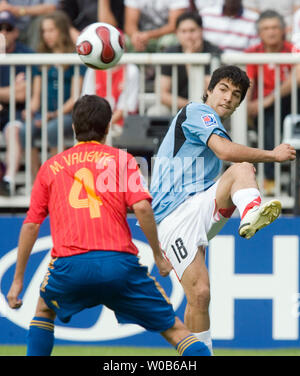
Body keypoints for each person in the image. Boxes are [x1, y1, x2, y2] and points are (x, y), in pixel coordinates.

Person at [6, 94, 211, 357]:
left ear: (72, 127)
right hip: (120, 266)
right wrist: (159, 258)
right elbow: (142, 207)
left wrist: (18, 281)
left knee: (44, 310)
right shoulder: (122, 161)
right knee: (176, 331)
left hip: (69, 266)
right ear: (107, 127)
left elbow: (31, 225)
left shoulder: (51, 167)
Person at [149, 65, 296, 355]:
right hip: (171, 216)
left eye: (236, 95)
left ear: (239, 104)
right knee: (200, 294)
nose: (228, 98)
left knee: (241, 170)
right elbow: (225, 151)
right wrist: (273, 155)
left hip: (197, 204)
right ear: (209, 90)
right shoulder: (196, 112)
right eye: (223, 89)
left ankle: (251, 210)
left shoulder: (213, 124)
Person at [15, 10, 85, 179]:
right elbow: (36, 96)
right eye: (44, 31)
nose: (47, 35)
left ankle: (57, 179)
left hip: (66, 114)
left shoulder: (75, 58)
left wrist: (54, 114)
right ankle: (39, 179)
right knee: (24, 130)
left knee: (53, 128)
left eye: (51, 30)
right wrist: (30, 110)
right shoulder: (41, 58)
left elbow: (75, 97)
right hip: (44, 113)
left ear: (62, 30)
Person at [246, 10, 300, 194]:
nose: (271, 32)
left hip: (290, 103)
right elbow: (248, 83)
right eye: (266, 28)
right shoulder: (252, 53)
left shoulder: (293, 49)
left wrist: (268, 99)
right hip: (263, 112)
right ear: (259, 33)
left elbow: (298, 75)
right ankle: (270, 180)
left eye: (275, 27)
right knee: (268, 117)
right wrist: (247, 108)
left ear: (283, 30)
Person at [148, 11, 222, 116]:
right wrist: (190, 106)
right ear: (177, 33)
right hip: (178, 107)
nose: (188, 36)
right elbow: (162, 94)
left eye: (192, 31)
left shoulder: (214, 53)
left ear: (201, 31)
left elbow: (210, 92)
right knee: (155, 112)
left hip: (208, 109)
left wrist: (190, 59)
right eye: (183, 31)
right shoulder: (170, 53)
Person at [0, 10, 34, 196]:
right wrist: (11, 90)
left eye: (8, 28)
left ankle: (9, 181)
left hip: (15, 113)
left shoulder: (26, 53)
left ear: (16, 32)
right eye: (0, 28)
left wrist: (15, 91)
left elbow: (22, 94)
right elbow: (16, 91)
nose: (3, 33)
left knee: (14, 130)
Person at [81, 62, 139, 138]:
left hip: (121, 126)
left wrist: (103, 125)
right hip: (95, 124)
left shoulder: (131, 70)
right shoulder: (92, 69)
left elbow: (127, 107)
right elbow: (86, 102)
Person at [124, 0, 189, 52]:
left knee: (168, 40)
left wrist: (148, 35)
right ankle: (132, 68)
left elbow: (174, 26)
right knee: (126, 40)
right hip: (142, 36)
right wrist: (136, 36)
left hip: (165, 35)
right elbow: (129, 25)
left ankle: (165, 68)